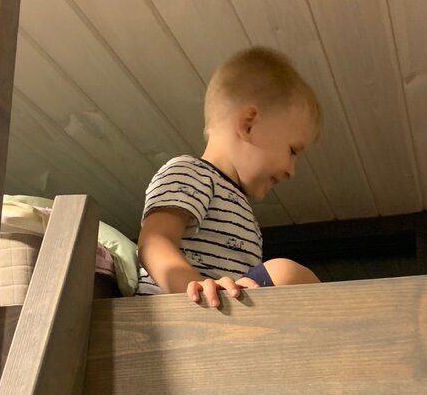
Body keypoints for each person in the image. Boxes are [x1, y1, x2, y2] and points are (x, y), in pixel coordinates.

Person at [137, 46, 322, 306]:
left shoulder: (243, 213)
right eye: (292, 151)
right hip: (181, 308)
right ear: (248, 124)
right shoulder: (191, 172)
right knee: (285, 273)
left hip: (223, 311)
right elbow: (154, 241)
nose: (292, 171)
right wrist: (196, 285)